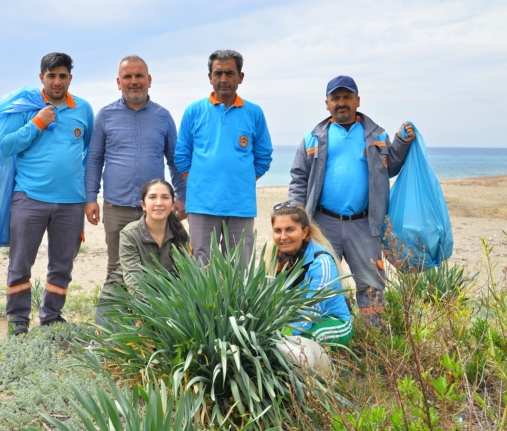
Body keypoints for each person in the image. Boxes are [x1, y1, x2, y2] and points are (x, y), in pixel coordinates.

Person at [288, 75, 414, 329]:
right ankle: (323, 338)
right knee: (319, 282)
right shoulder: (313, 138)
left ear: (358, 101)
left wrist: (401, 143)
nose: (341, 103)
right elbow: (299, 177)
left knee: (371, 285)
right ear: (327, 103)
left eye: (347, 97)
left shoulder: (377, 135)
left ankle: (375, 343)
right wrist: (295, 216)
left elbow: (389, 168)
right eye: (336, 98)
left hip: (364, 224)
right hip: (322, 224)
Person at [0, 52, 94, 335]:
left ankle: (51, 316)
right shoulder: (27, 107)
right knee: (20, 263)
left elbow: (90, 153)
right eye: (51, 76)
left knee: (62, 265)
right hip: (29, 198)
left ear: (70, 79)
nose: (57, 81)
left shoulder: (84, 109)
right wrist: (37, 122)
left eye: (62, 76)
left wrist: (88, 195)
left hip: (71, 203)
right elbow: (5, 146)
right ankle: (18, 319)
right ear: (41, 77)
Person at [86, 55, 186, 281]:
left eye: (139, 75)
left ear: (149, 79)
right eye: (127, 76)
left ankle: (154, 314)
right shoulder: (104, 116)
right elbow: (94, 159)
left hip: (155, 208)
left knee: (158, 266)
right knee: (117, 268)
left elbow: (175, 161)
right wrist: (91, 198)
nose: (134, 81)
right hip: (116, 207)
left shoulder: (164, 116)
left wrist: (182, 196)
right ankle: (115, 315)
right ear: (118, 82)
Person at [174, 49, 273, 264]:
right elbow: (182, 154)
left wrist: (243, 178)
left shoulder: (254, 112)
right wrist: (202, 182)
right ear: (210, 77)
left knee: (238, 268)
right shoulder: (194, 111)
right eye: (218, 73)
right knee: (202, 267)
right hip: (201, 205)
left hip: (241, 205)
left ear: (240, 77)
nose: (223, 79)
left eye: (230, 73)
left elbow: (264, 156)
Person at [94, 179, 189, 327]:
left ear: (172, 204)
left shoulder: (180, 235)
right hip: (121, 298)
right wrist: (145, 316)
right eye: (152, 197)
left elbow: (184, 278)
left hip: (163, 301)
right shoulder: (130, 233)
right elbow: (134, 281)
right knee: (120, 344)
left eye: (165, 197)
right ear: (143, 205)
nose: (159, 203)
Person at [270, 202, 353, 346]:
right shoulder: (276, 258)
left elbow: (312, 311)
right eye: (278, 230)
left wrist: (284, 336)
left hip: (332, 321)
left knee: (303, 343)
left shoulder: (321, 261)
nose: (283, 237)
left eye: (290, 229)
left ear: (305, 232)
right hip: (295, 321)